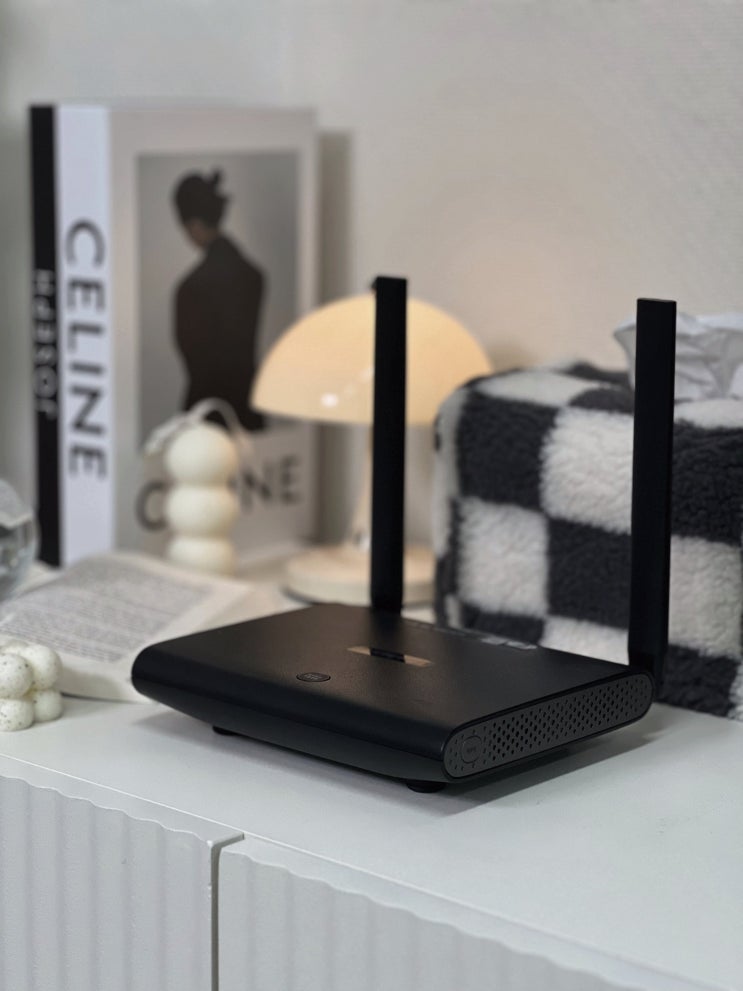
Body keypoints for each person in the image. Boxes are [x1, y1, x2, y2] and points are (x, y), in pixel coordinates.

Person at [172, 170, 266, 430]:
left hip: (206, 419)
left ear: (193, 225)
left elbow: (195, 364)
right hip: (248, 409)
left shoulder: (190, 288)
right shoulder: (253, 275)